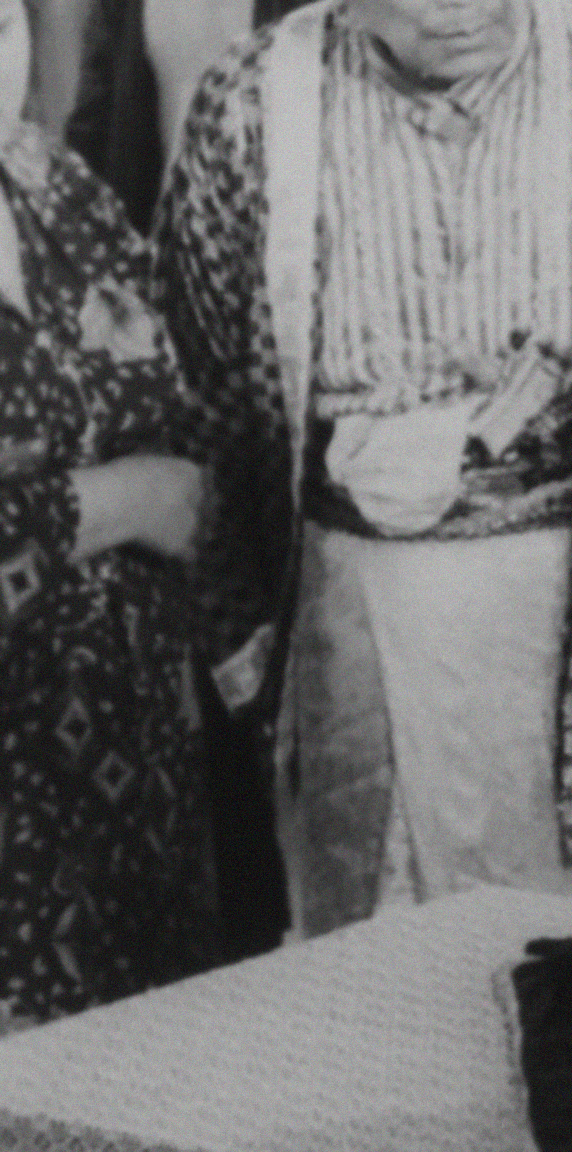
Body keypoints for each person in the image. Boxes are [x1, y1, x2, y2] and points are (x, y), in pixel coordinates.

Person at [154, 0, 572, 936]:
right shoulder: (250, 106)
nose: (460, 6)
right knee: (387, 952)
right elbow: (199, 393)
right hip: (359, 620)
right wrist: (237, 639)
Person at [0, 0, 217, 1027]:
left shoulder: (61, 189)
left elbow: (191, 421)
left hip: (134, 797)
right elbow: (157, 484)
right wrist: (115, 500)